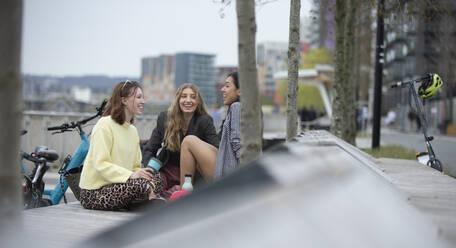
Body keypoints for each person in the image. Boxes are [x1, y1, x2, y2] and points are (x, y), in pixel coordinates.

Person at [79, 80, 163, 211]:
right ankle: (147, 200)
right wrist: (131, 176)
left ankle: (140, 200)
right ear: (124, 100)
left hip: (120, 186)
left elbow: (136, 167)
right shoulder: (104, 125)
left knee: (156, 177)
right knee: (139, 185)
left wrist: (142, 174)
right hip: (94, 193)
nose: (143, 101)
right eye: (139, 97)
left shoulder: (133, 131)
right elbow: (101, 164)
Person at [142, 83, 219, 198]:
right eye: (184, 96)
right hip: (168, 170)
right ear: (178, 100)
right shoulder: (165, 118)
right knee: (152, 187)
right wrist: (148, 170)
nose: (188, 100)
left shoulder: (205, 121)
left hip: (192, 175)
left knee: (184, 192)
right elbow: (150, 147)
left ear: (198, 102)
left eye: (193, 97)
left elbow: (215, 149)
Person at [179, 72, 241, 182]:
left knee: (189, 141)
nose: (222, 89)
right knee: (192, 149)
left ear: (240, 91)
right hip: (229, 167)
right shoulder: (237, 109)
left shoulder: (237, 107)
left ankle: (184, 193)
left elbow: (238, 146)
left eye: (227, 86)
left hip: (230, 172)